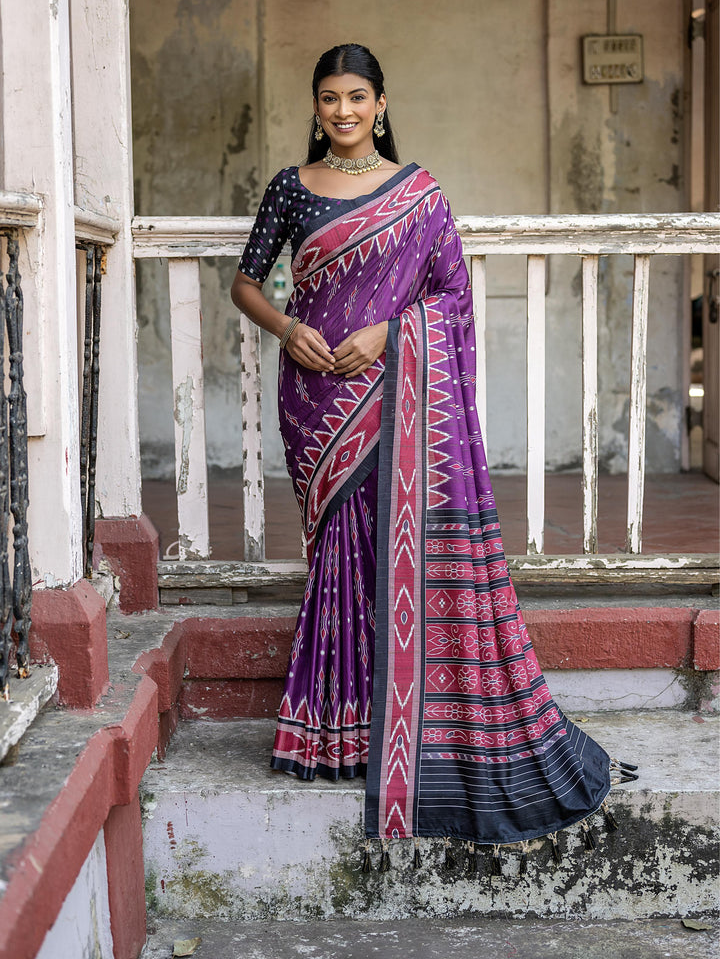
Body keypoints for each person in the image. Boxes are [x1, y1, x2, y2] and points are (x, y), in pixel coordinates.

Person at [230, 43, 634, 873]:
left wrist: (388, 330)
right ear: (316, 106)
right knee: (338, 554)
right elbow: (246, 282)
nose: (342, 111)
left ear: (381, 103)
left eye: (357, 98)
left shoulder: (418, 194)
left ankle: (401, 720)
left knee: (393, 551)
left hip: (393, 390)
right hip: (315, 400)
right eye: (329, 98)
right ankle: (335, 733)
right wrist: (288, 329)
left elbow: (449, 293)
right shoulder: (288, 188)